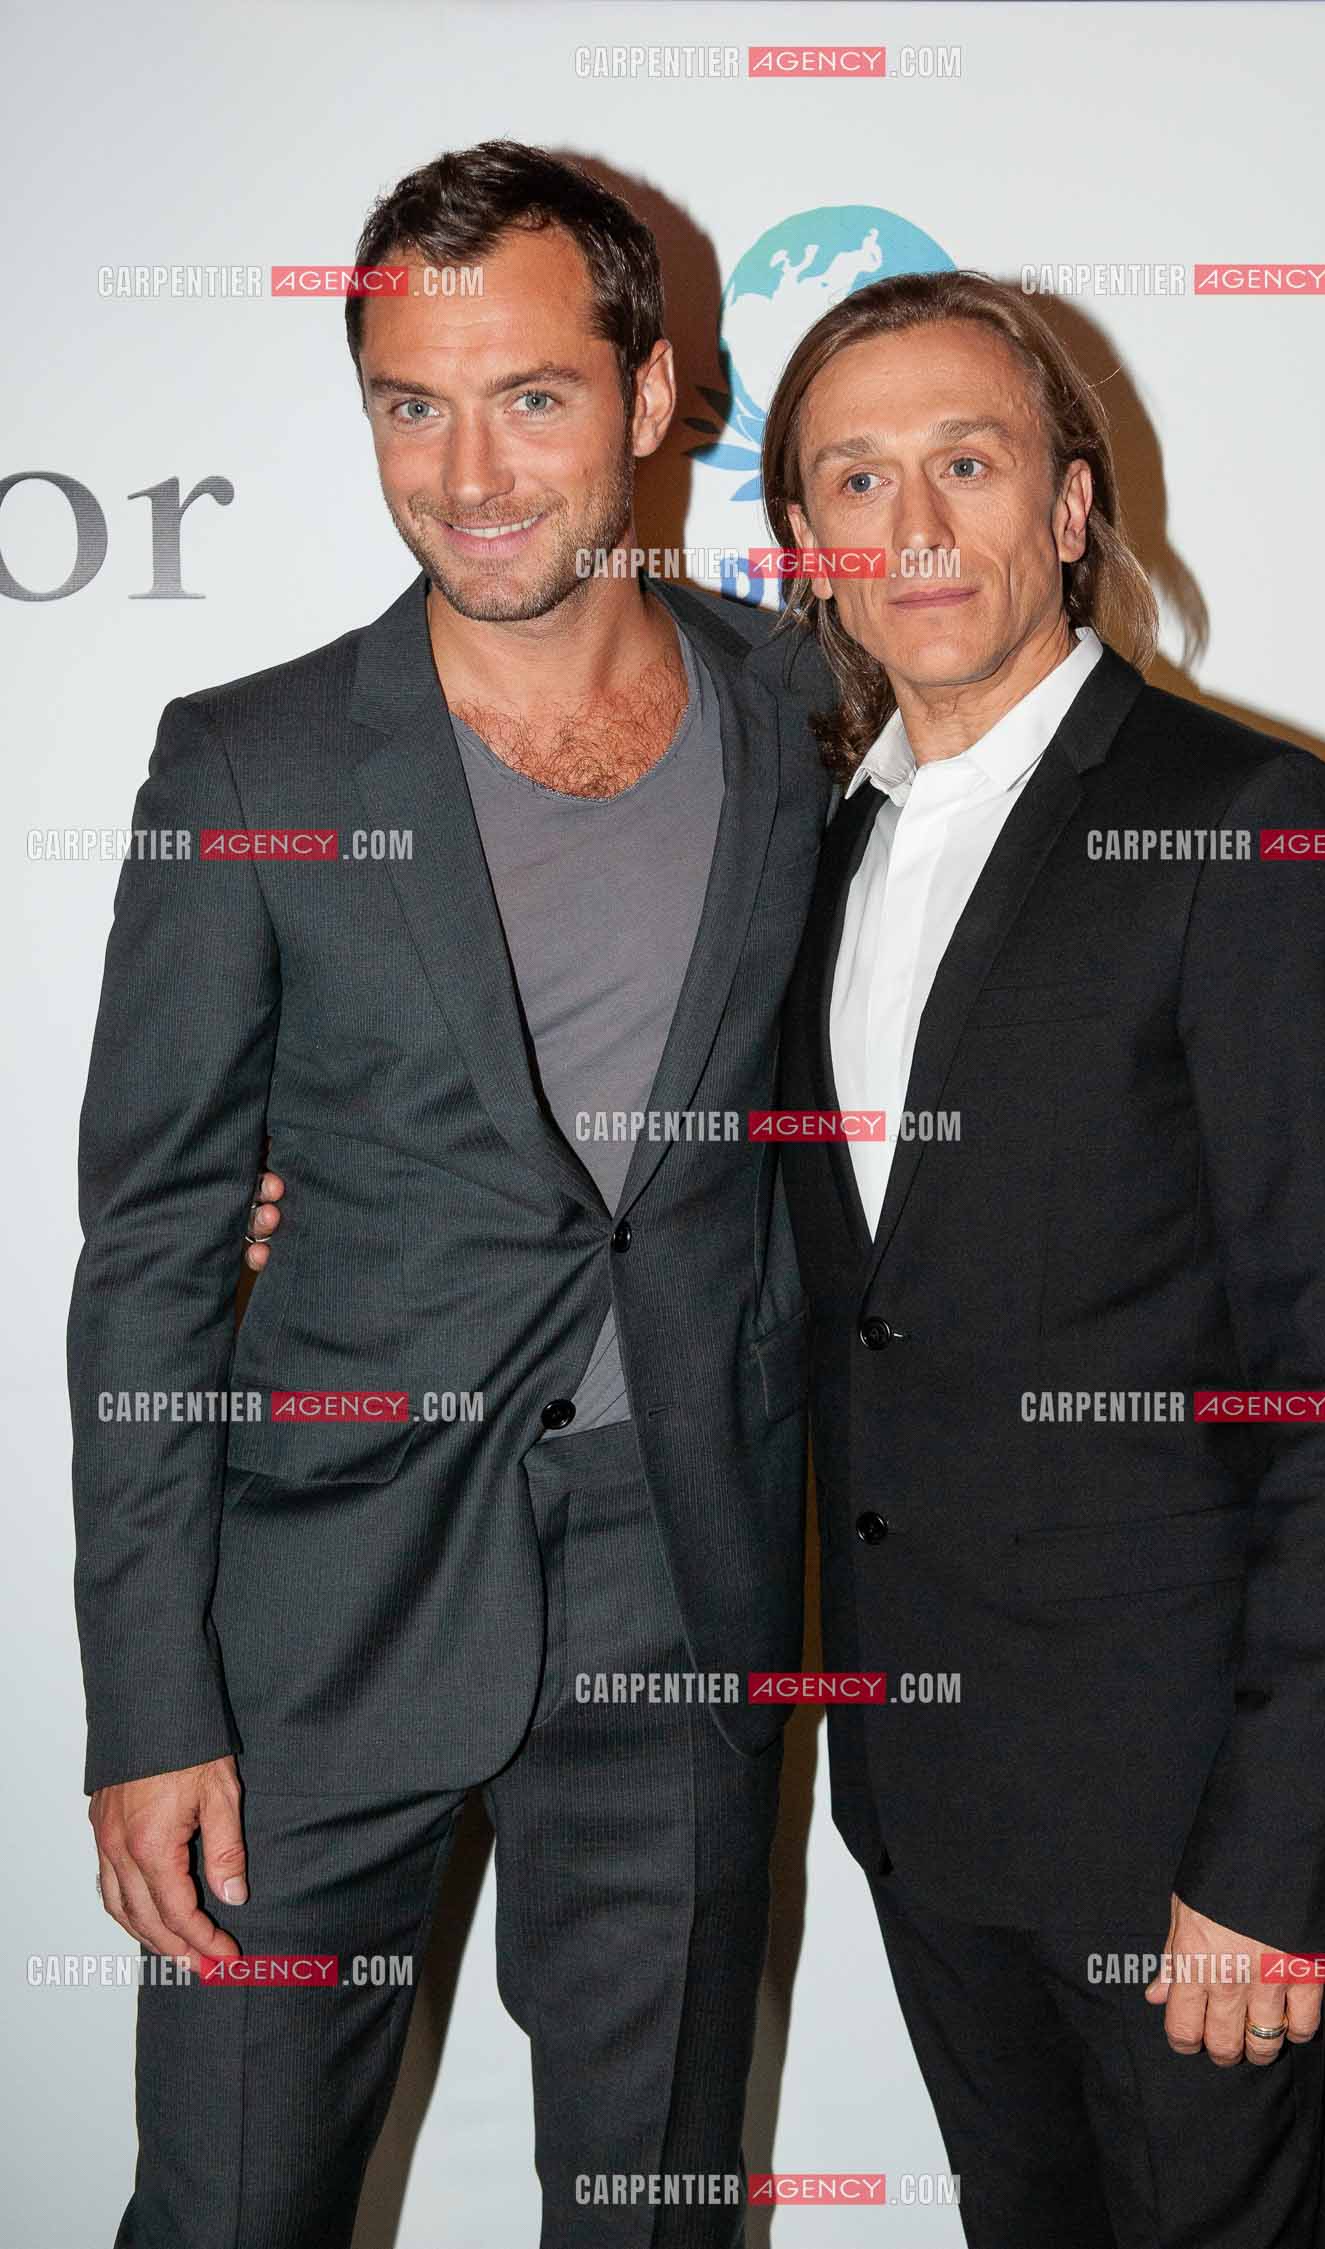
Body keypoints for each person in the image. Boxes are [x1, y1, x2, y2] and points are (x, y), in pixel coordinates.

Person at [69, 139, 830, 2249]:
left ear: (654, 397)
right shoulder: (255, 767)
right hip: (310, 1619)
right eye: (413, 404)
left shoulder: (800, 710)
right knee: (229, 2210)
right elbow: (143, 1262)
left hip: (678, 1582)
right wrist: (149, 1710)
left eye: (533, 398)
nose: (470, 472)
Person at [763, 269, 1325, 2246]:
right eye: (856, 480)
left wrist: (1271, 1869)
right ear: (808, 544)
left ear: (1066, 509)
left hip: (1180, 1845)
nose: (914, 527)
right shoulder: (815, 856)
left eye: (964, 463)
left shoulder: (1248, 827)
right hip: (924, 1797)